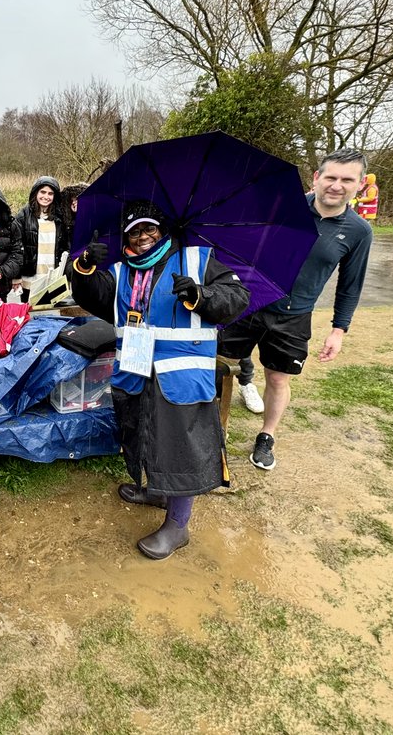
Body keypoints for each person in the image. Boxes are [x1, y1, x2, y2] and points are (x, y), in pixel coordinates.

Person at [67, 201, 249, 560]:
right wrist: (85, 267)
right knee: (143, 435)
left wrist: (201, 296)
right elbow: (93, 296)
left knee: (178, 449)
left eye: (150, 229)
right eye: (135, 231)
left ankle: (178, 526)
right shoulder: (121, 271)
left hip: (180, 377)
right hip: (136, 372)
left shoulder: (196, 261)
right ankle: (158, 490)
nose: (143, 237)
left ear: (163, 230)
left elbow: (238, 296)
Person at [218, 148, 373, 471]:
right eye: (330, 177)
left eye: (347, 179)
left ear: (359, 185)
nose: (336, 185)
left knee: (277, 379)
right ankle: (210, 429)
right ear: (317, 178)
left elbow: (350, 285)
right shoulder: (282, 207)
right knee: (218, 368)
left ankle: (266, 436)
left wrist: (338, 330)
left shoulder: (359, 231)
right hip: (249, 304)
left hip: (294, 316)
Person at [15, 176, 70, 296]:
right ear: (35, 193)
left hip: (54, 277)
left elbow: (65, 246)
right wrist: (16, 277)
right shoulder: (23, 216)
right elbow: (16, 247)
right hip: (30, 278)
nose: (46, 197)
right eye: (43, 192)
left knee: (52, 313)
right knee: (29, 313)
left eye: (50, 193)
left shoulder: (60, 217)